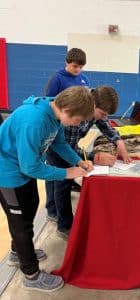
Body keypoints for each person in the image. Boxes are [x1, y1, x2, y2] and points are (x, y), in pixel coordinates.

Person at [0, 86, 94, 291]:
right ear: (67, 109)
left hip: (23, 173)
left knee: (29, 211)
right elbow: (30, 166)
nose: (77, 125)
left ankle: (18, 252)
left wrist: (78, 162)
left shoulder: (55, 112)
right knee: (21, 225)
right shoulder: (34, 121)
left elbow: (59, 144)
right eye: (77, 120)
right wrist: (67, 173)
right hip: (8, 175)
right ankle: (31, 275)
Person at [46, 86, 132, 240]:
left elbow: (105, 125)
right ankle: (64, 225)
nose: (103, 117)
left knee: (57, 180)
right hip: (58, 147)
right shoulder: (75, 115)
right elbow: (67, 148)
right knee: (62, 183)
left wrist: (119, 142)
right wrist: (93, 157)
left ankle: (52, 209)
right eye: (102, 113)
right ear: (93, 105)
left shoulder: (96, 104)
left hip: (66, 146)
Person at [46, 47, 90, 192]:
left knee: (66, 164)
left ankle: (67, 187)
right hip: (58, 126)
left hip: (73, 130)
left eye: (81, 67)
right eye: (75, 66)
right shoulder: (57, 78)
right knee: (54, 170)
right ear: (67, 62)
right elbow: (49, 102)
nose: (78, 69)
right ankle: (52, 209)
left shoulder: (84, 79)